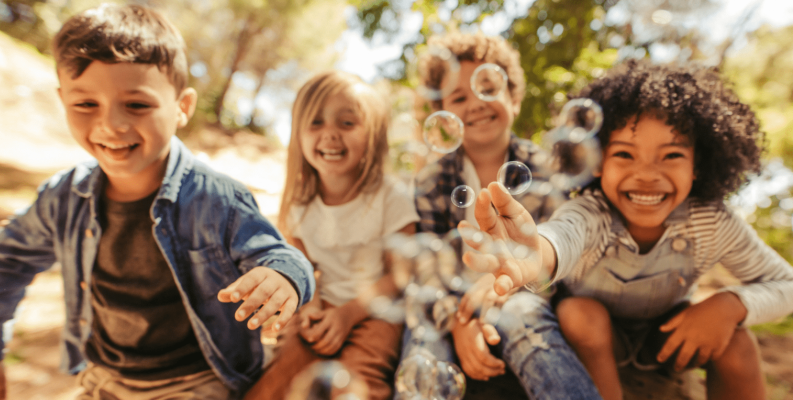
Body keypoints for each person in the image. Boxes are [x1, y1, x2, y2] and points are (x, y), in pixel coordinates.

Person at [0, 4, 314, 399]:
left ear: (182, 107)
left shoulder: (216, 199)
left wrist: (283, 278)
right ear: (63, 100)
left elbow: (281, 256)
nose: (111, 124)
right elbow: (4, 264)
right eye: (85, 104)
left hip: (198, 381)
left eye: (137, 105)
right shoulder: (64, 197)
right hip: (106, 378)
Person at [460, 59, 793, 400]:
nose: (646, 174)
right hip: (593, 339)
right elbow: (562, 236)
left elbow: (787, 285)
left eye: (672, 155)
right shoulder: (593, 212)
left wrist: (730, 303)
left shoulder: (711, 222)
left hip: (665, 337)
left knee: (738, 341)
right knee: (579, 313)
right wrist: (535, 253)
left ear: (699, 165)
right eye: (624, 154)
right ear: (597, 163)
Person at [405, 31, 601, 399]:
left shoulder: (544, 169)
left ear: (513, 98)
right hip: (448, 303)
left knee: (526, 319)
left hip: (522, 296)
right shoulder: (432, 181)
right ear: (443, 117)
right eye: (459, 97)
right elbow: (427, 266)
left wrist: (499, 294)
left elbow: (551, 258)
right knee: (422, 341)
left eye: (489, 89)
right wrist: (459, 321)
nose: (476, 103)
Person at [243, 70, 419, 400]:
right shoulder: (300, 203)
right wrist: (311, 307)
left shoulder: (390, 195)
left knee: (360, 381)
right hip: (320, 309)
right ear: (298, 134)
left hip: (375, 312)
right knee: (275, 384)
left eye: (347, 123)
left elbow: (400, 273)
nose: (330, 135)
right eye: (316, 123)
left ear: (374, 135)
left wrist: (348, 314)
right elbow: (301, 267)